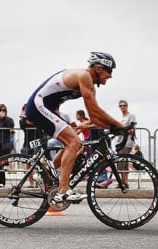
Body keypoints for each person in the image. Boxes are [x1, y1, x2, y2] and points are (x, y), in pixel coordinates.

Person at [25, 52, 123, 202]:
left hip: (47, 108)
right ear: (98, 68)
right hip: (38, 105)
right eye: (109, 71)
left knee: (73, 143)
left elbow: (95, 118)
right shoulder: (84, 76)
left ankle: (46, 173)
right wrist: (118, 125)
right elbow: (94, 112)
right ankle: (63, 191)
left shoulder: (90, 86)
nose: (110, 76)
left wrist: (113, 127)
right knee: (74, 142)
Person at [116, 100, 137, 188]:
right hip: (119, 142)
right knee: (120, 163)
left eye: (124, 105)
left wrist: (125, 131)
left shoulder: (131, 115)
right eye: (121, 106)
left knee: (124, 162)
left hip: (127, 142)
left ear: (127, 106)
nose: (122, 107)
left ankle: (126, 182)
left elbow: (132, 128)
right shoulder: (120, 117)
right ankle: (122, 181)